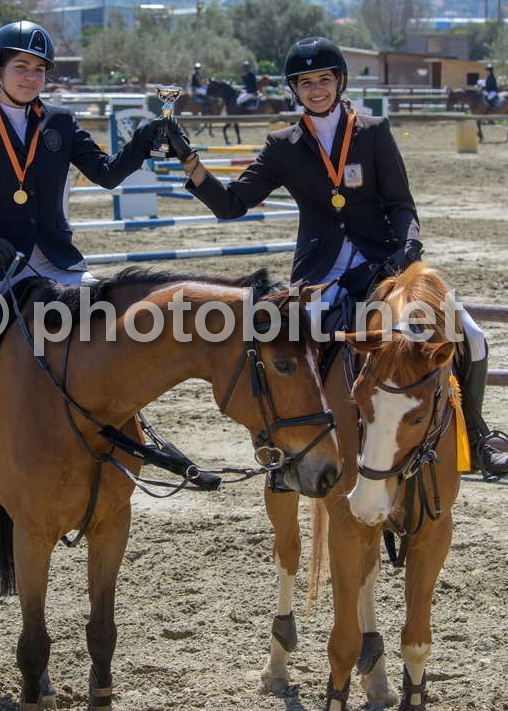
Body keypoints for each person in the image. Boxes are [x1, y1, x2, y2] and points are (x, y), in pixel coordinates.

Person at [165, 36, 508, 478]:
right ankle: (288, 454)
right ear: (294, 89)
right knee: (286, 347)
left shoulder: (374, 131)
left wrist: (409, 248)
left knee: (472, 336)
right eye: (305, 83)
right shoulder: (283, 145)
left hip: (384, 266)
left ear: (339, 81)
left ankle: (477, 437)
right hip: (320, 273)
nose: (316, 90)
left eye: (323, 80)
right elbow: (232, 204)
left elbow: (400, 204)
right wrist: (190, 162)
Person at [0, 20, 167, 489]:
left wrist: (144, 139)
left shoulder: (60, 123)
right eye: (21, 67)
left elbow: (107, 173)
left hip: (57, 260)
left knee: (112, 330)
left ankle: (132, 432)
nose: (31, 77)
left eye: (39, 69)